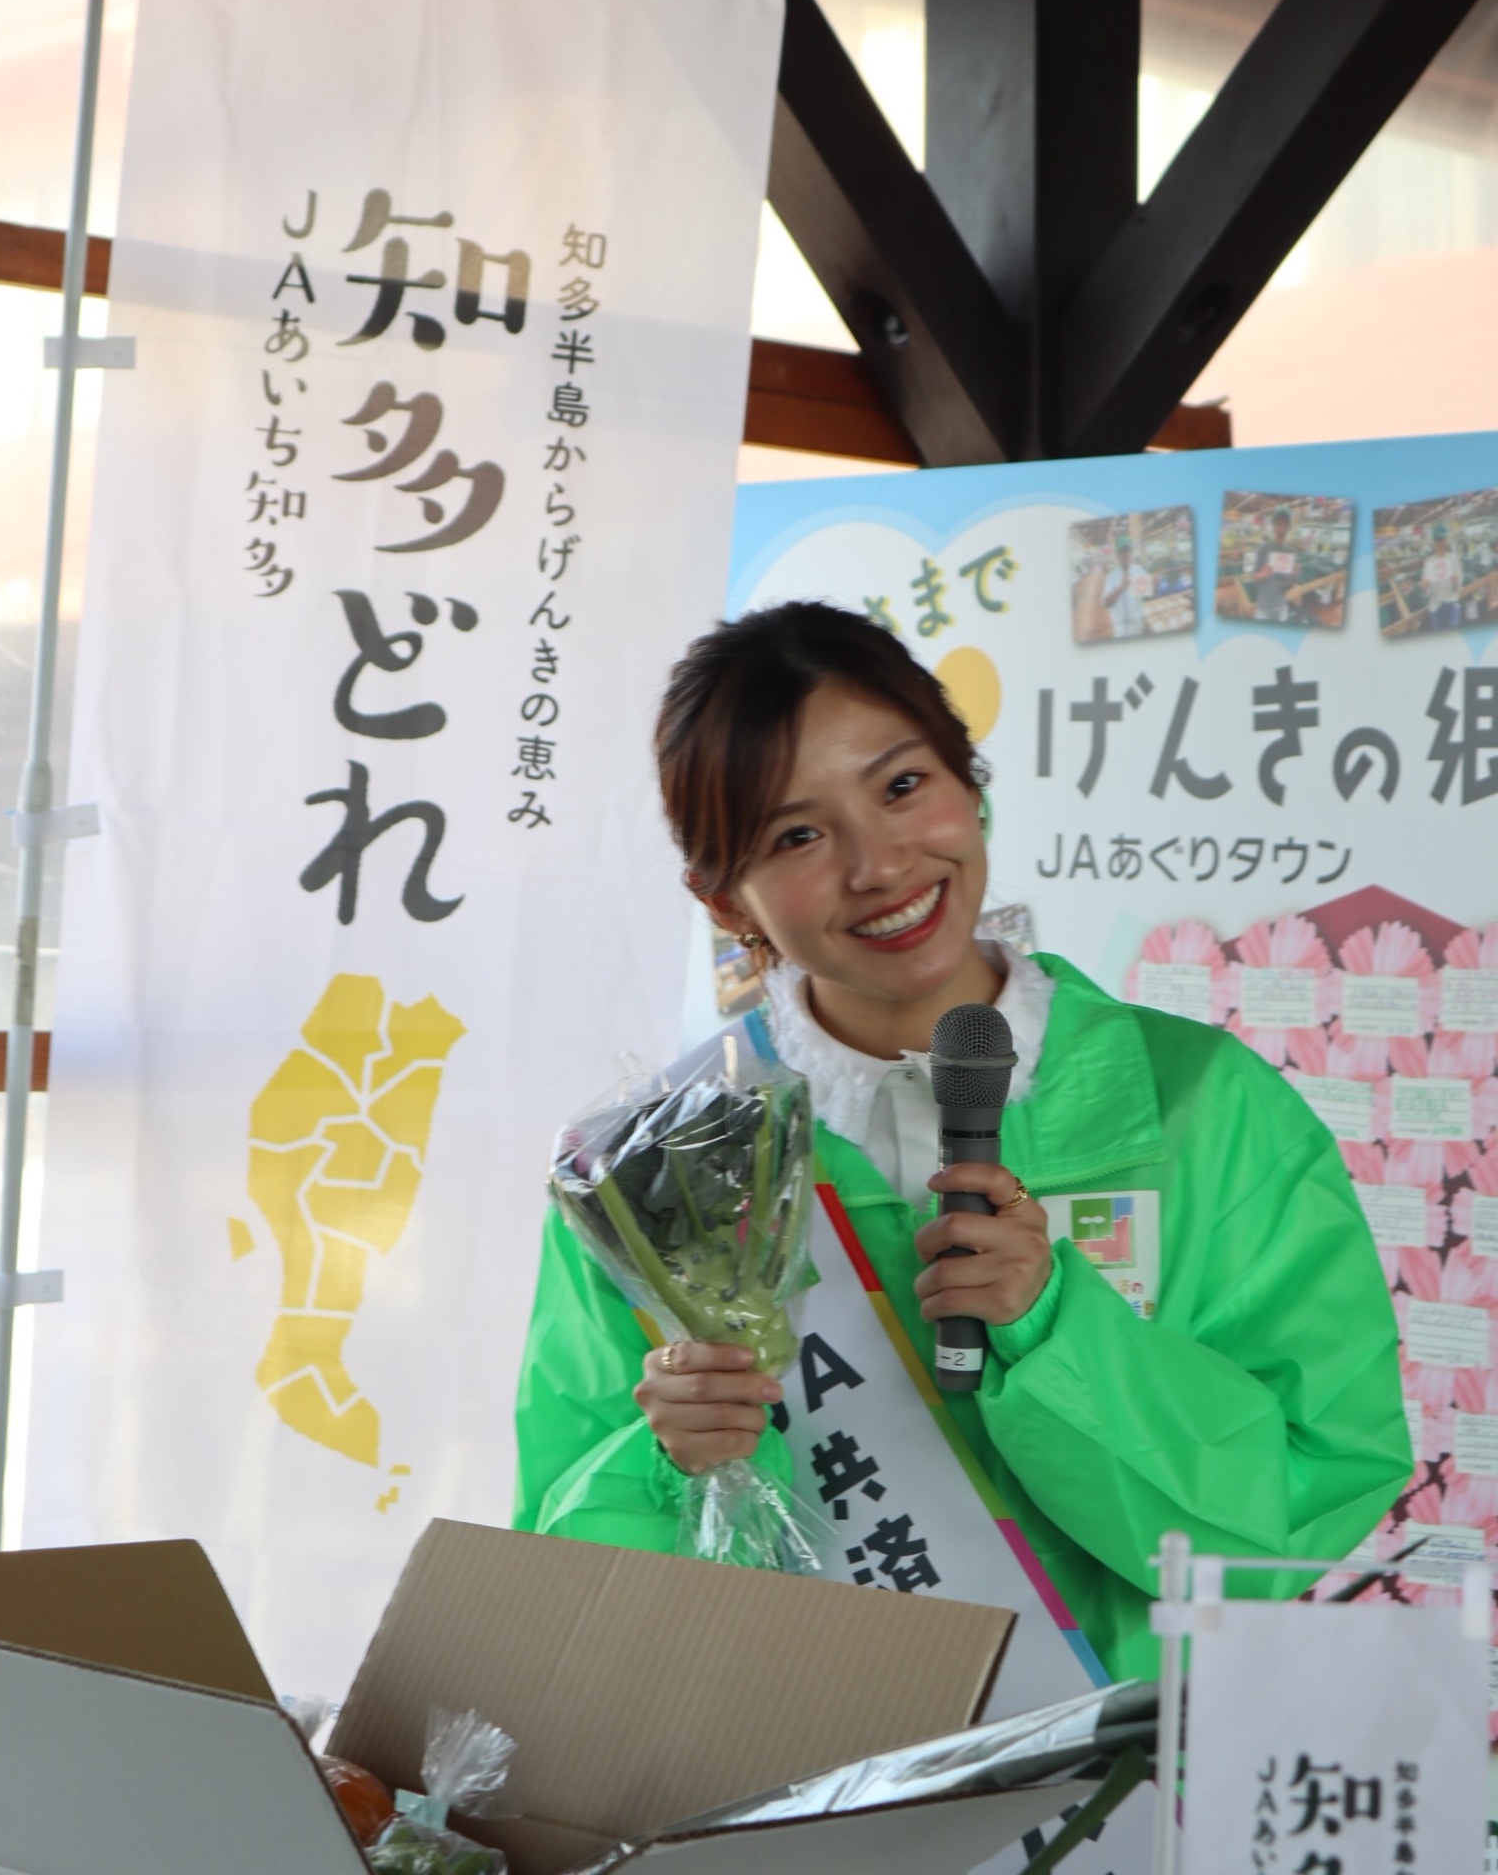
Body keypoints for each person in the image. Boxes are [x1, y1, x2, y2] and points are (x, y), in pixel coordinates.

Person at [514, 602, 1409, 1682]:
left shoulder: (1200, 1105)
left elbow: (1302, 1502)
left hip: (1117, 1767)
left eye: (902, 785)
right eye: (796, 836)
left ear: (970, 782)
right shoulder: (655, 1166)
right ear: (723, 899)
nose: (879, 863)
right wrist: (668, 1459)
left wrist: (1056, 1326)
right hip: (800, 1764)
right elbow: (561, 1575)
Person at [1250, 506, 1299, 625]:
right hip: (1263, 607)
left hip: (1281, 606)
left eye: (1284, 524)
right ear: (1273, 526)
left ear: (1288, 527)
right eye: (1278, 524)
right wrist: (1262, 574)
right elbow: (1253, 577)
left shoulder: (1290, 552)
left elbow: (1289, 585)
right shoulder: (1263, 549)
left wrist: (1293, 575)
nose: (1281, 528)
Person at [1099, 530, 1147, 639]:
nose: (1125, 555)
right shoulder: (1112, 576)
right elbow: (1106, 603)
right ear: (1117, 554)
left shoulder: (1139, 571)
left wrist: (1154, 584)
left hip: (1138, 626)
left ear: (1131, 552)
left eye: (1127, 551)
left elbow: (1145, 597)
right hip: (1120, 629)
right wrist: (1120, 588)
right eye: (1121, 551)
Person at [1421, 523, 1464, 631]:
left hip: (1451, 604)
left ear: (1446, 540)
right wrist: (1425, 587)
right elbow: (1427, 592)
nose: (1440, 542)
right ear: (1433, 542)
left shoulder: (1454, 559)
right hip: (1435, 607)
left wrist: (1456, 581)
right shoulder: (1429, 562)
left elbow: (1459, 587)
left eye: (1442, 539)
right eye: (1437, 540)